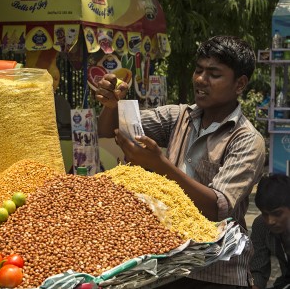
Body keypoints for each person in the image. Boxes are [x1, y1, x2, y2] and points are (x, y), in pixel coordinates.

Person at [96, 35, 266, 288]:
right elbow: (109, 130)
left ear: (239, 83)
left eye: (214, 74)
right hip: (168, 265)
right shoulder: (179, 117)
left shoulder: (246, 140)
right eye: (198, 70)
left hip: (217, 273)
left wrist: (160, 165)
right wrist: (111, 105)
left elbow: (216, 208)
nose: (200, 79)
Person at [250, 174, 290, 289]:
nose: (270, 221)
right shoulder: (261, 225)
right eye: (265, 213)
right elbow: (258, 270)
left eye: (277, 213)